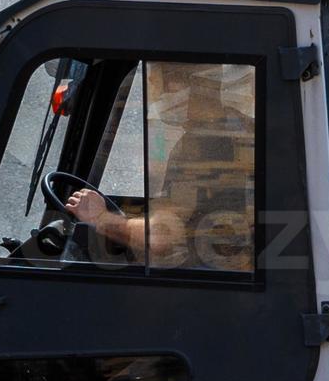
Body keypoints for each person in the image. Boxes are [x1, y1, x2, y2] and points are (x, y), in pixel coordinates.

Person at [65, 62, 257, 272]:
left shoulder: (205, 143)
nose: (156, 92)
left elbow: (163, 238)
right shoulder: (241, 128)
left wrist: (100, 218)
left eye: (161, 82)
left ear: (187, 82)